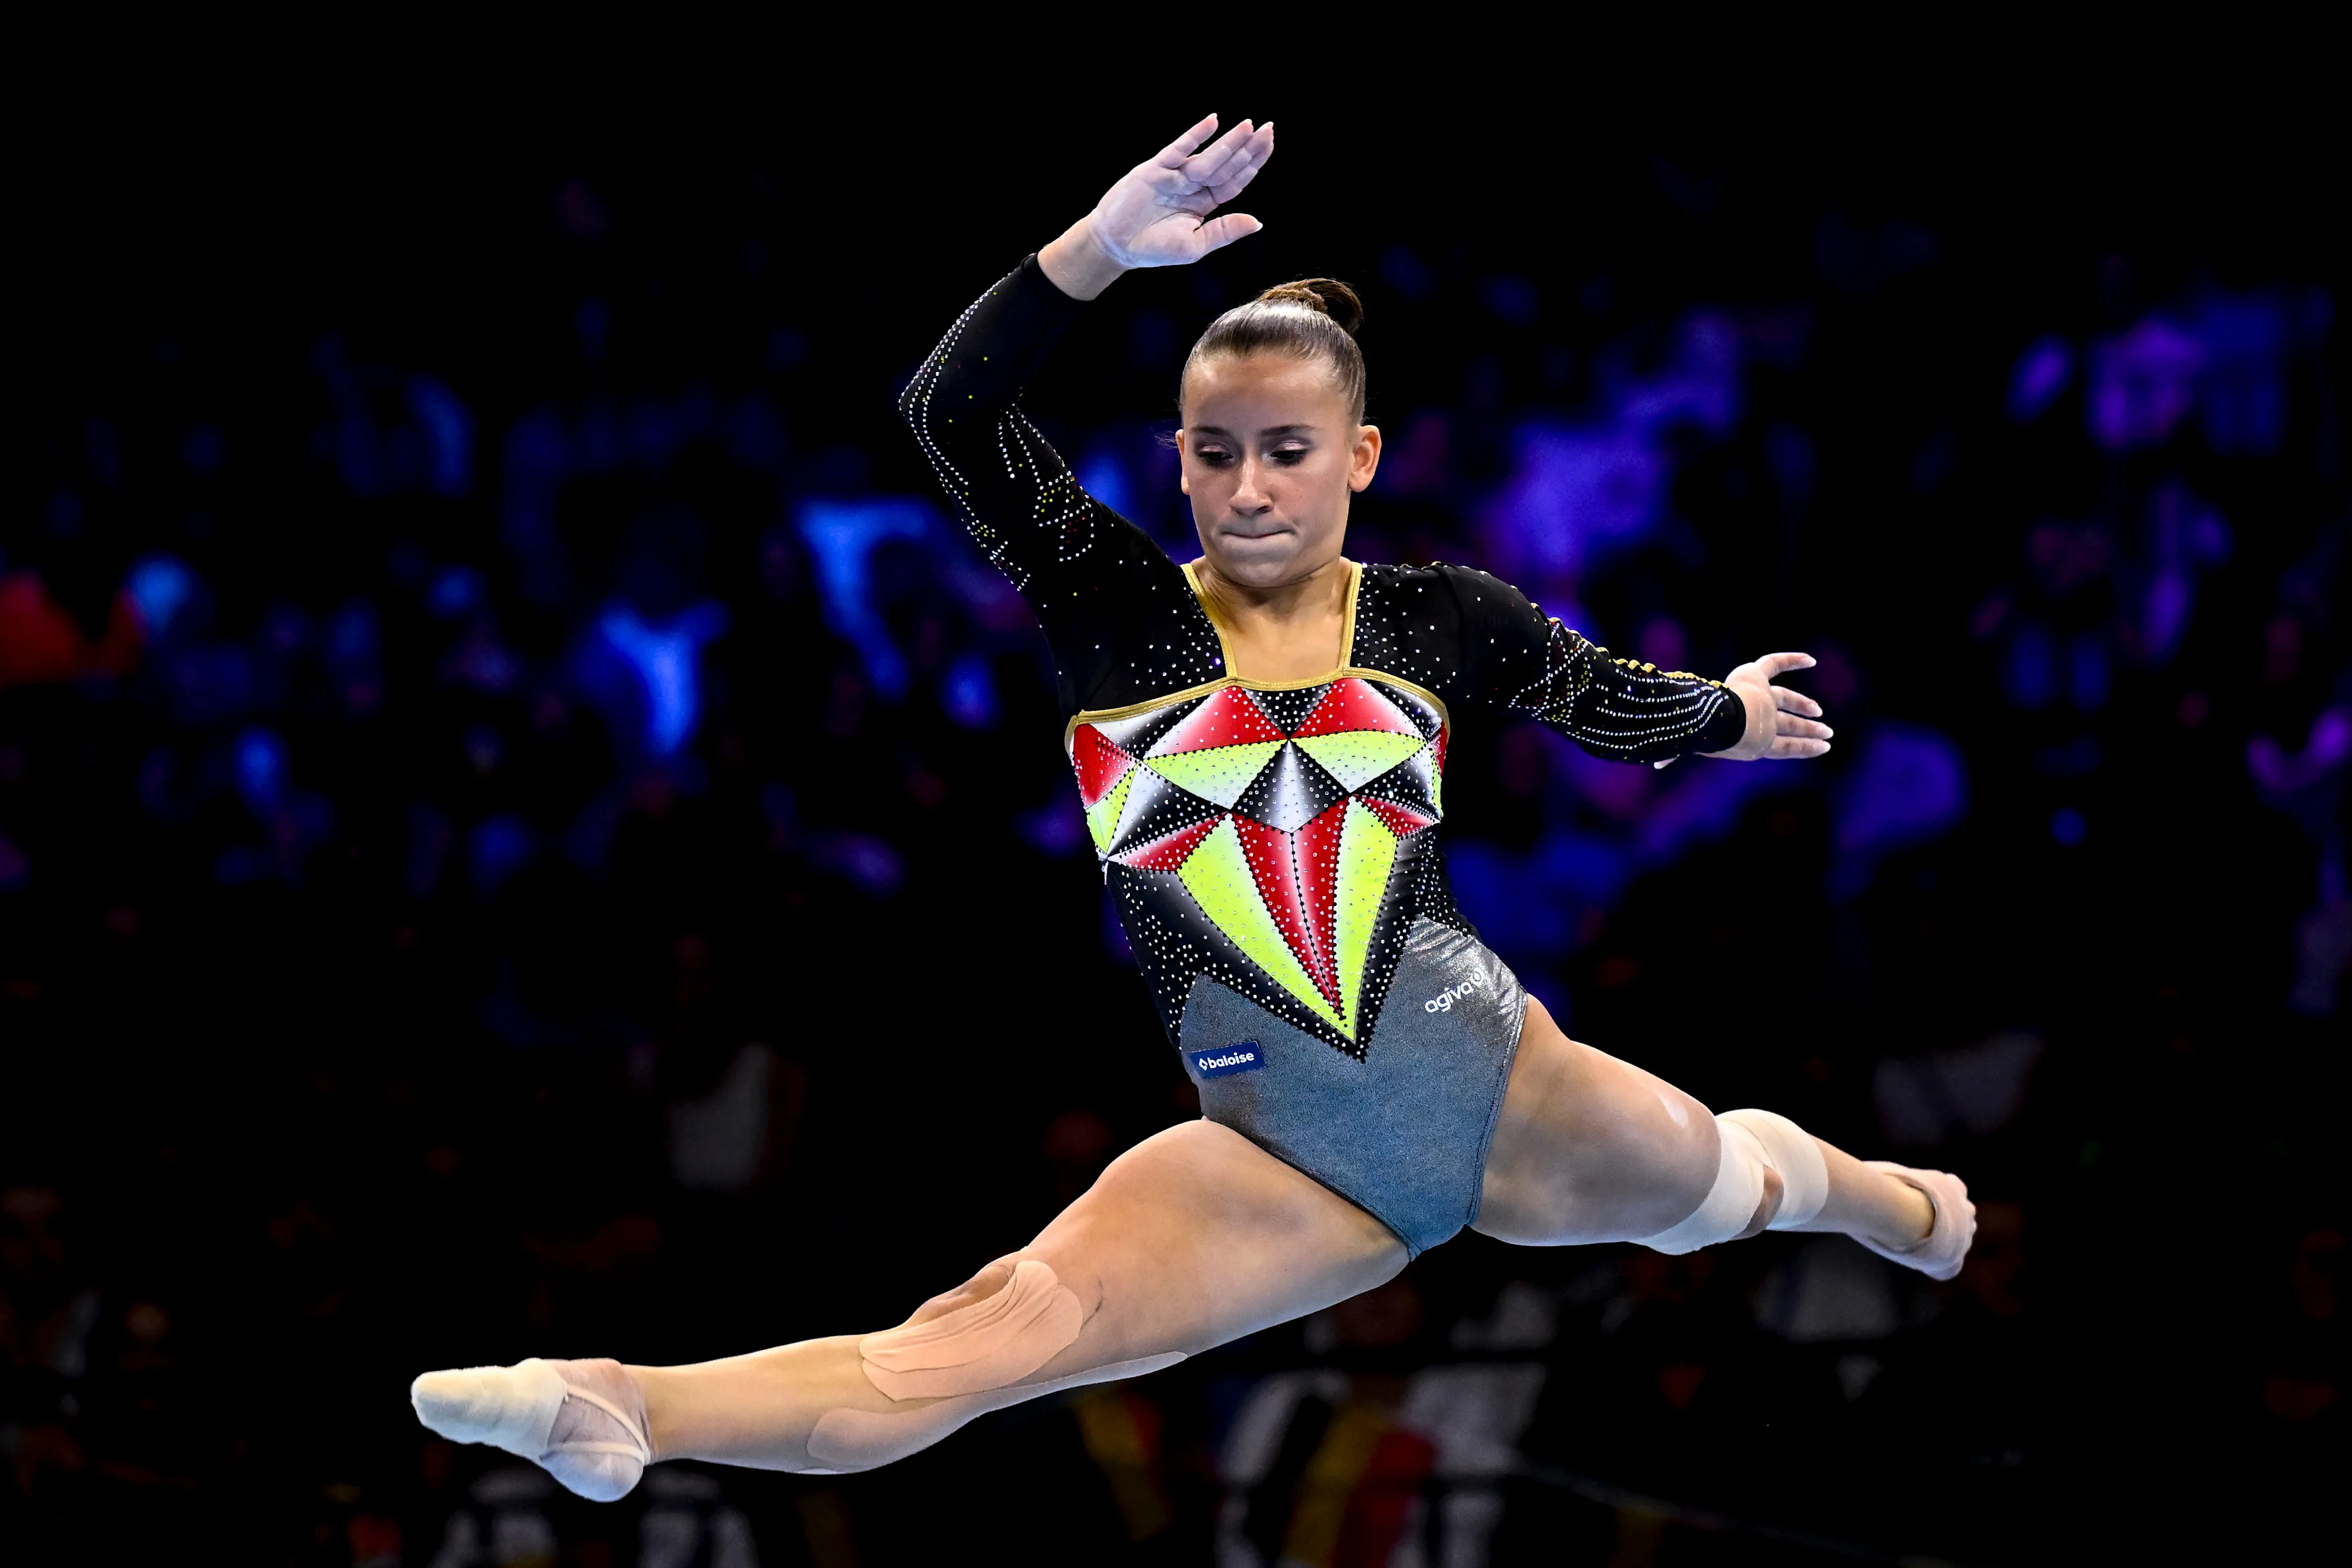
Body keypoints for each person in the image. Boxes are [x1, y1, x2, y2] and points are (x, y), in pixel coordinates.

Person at [410, 116, 1974, 1501]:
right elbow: (950, 415)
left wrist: (1732, 715)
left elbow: (1592, 692)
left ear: (1358, 456)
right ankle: (623, 1406)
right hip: (1272, 1158)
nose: (1249, 487)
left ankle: (1893, 1200)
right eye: (1215, 453)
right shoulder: (1123, 615)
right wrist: (1094, 251)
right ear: (1176, 460)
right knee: (980, 1339)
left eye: (1287, 452)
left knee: (1714, 1187)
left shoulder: (1438, 616)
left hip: (1499, 1087)